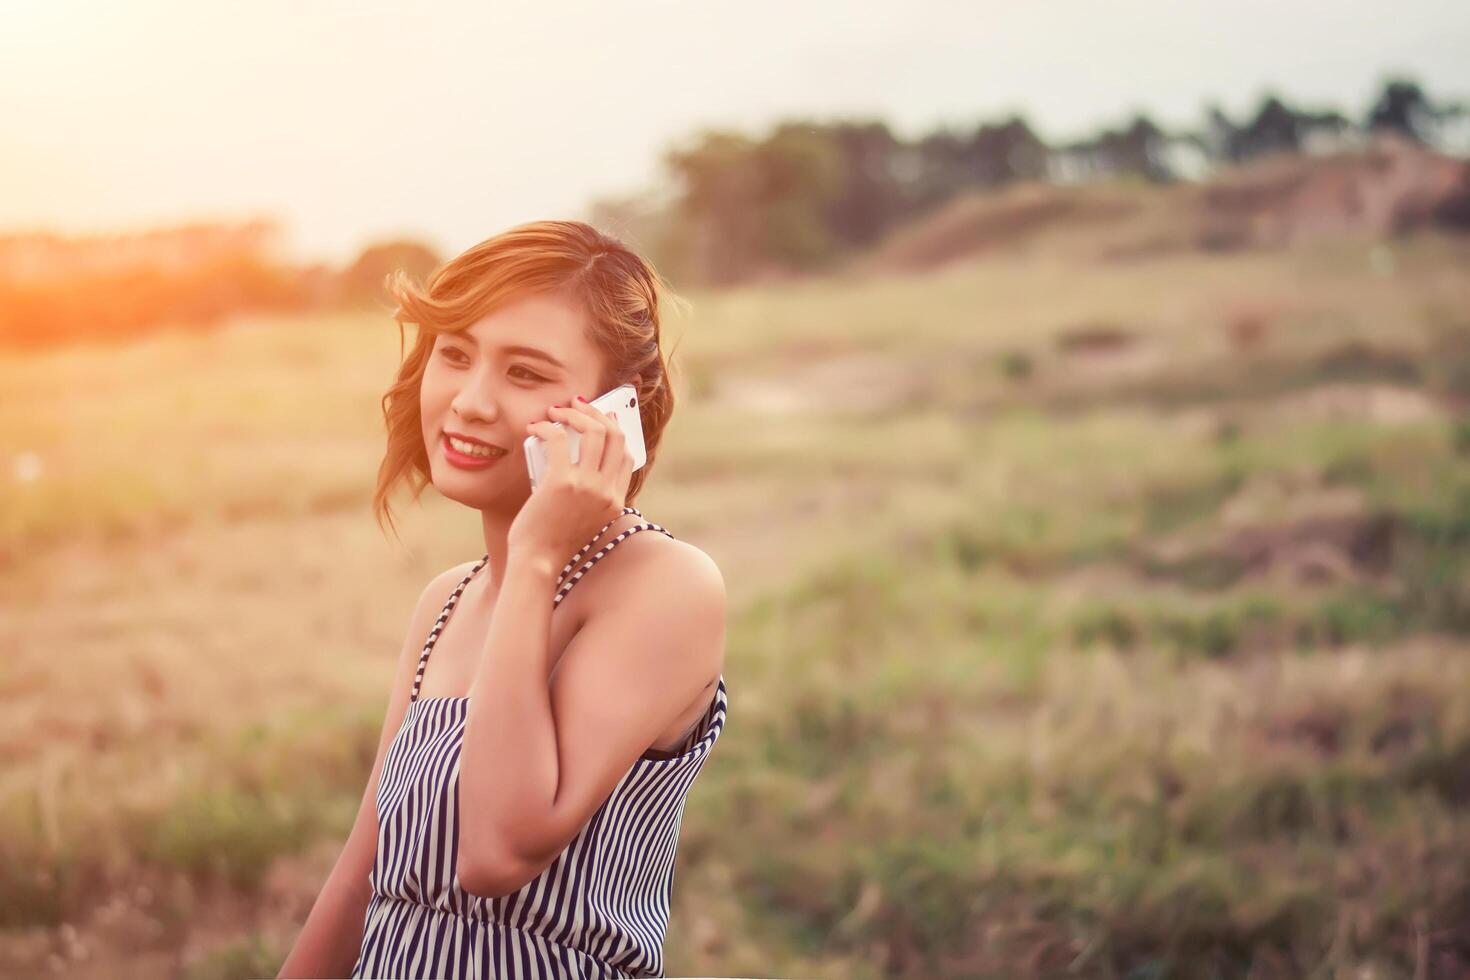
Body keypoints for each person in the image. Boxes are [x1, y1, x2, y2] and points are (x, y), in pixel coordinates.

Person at [276, 220, 729, 979]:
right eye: (454, 354)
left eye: (525, 373)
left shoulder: (667, 585)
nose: (472, 402)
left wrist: (537, 556)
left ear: (618, 409)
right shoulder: (446, 601)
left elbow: (497, 851)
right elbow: (362, 878)